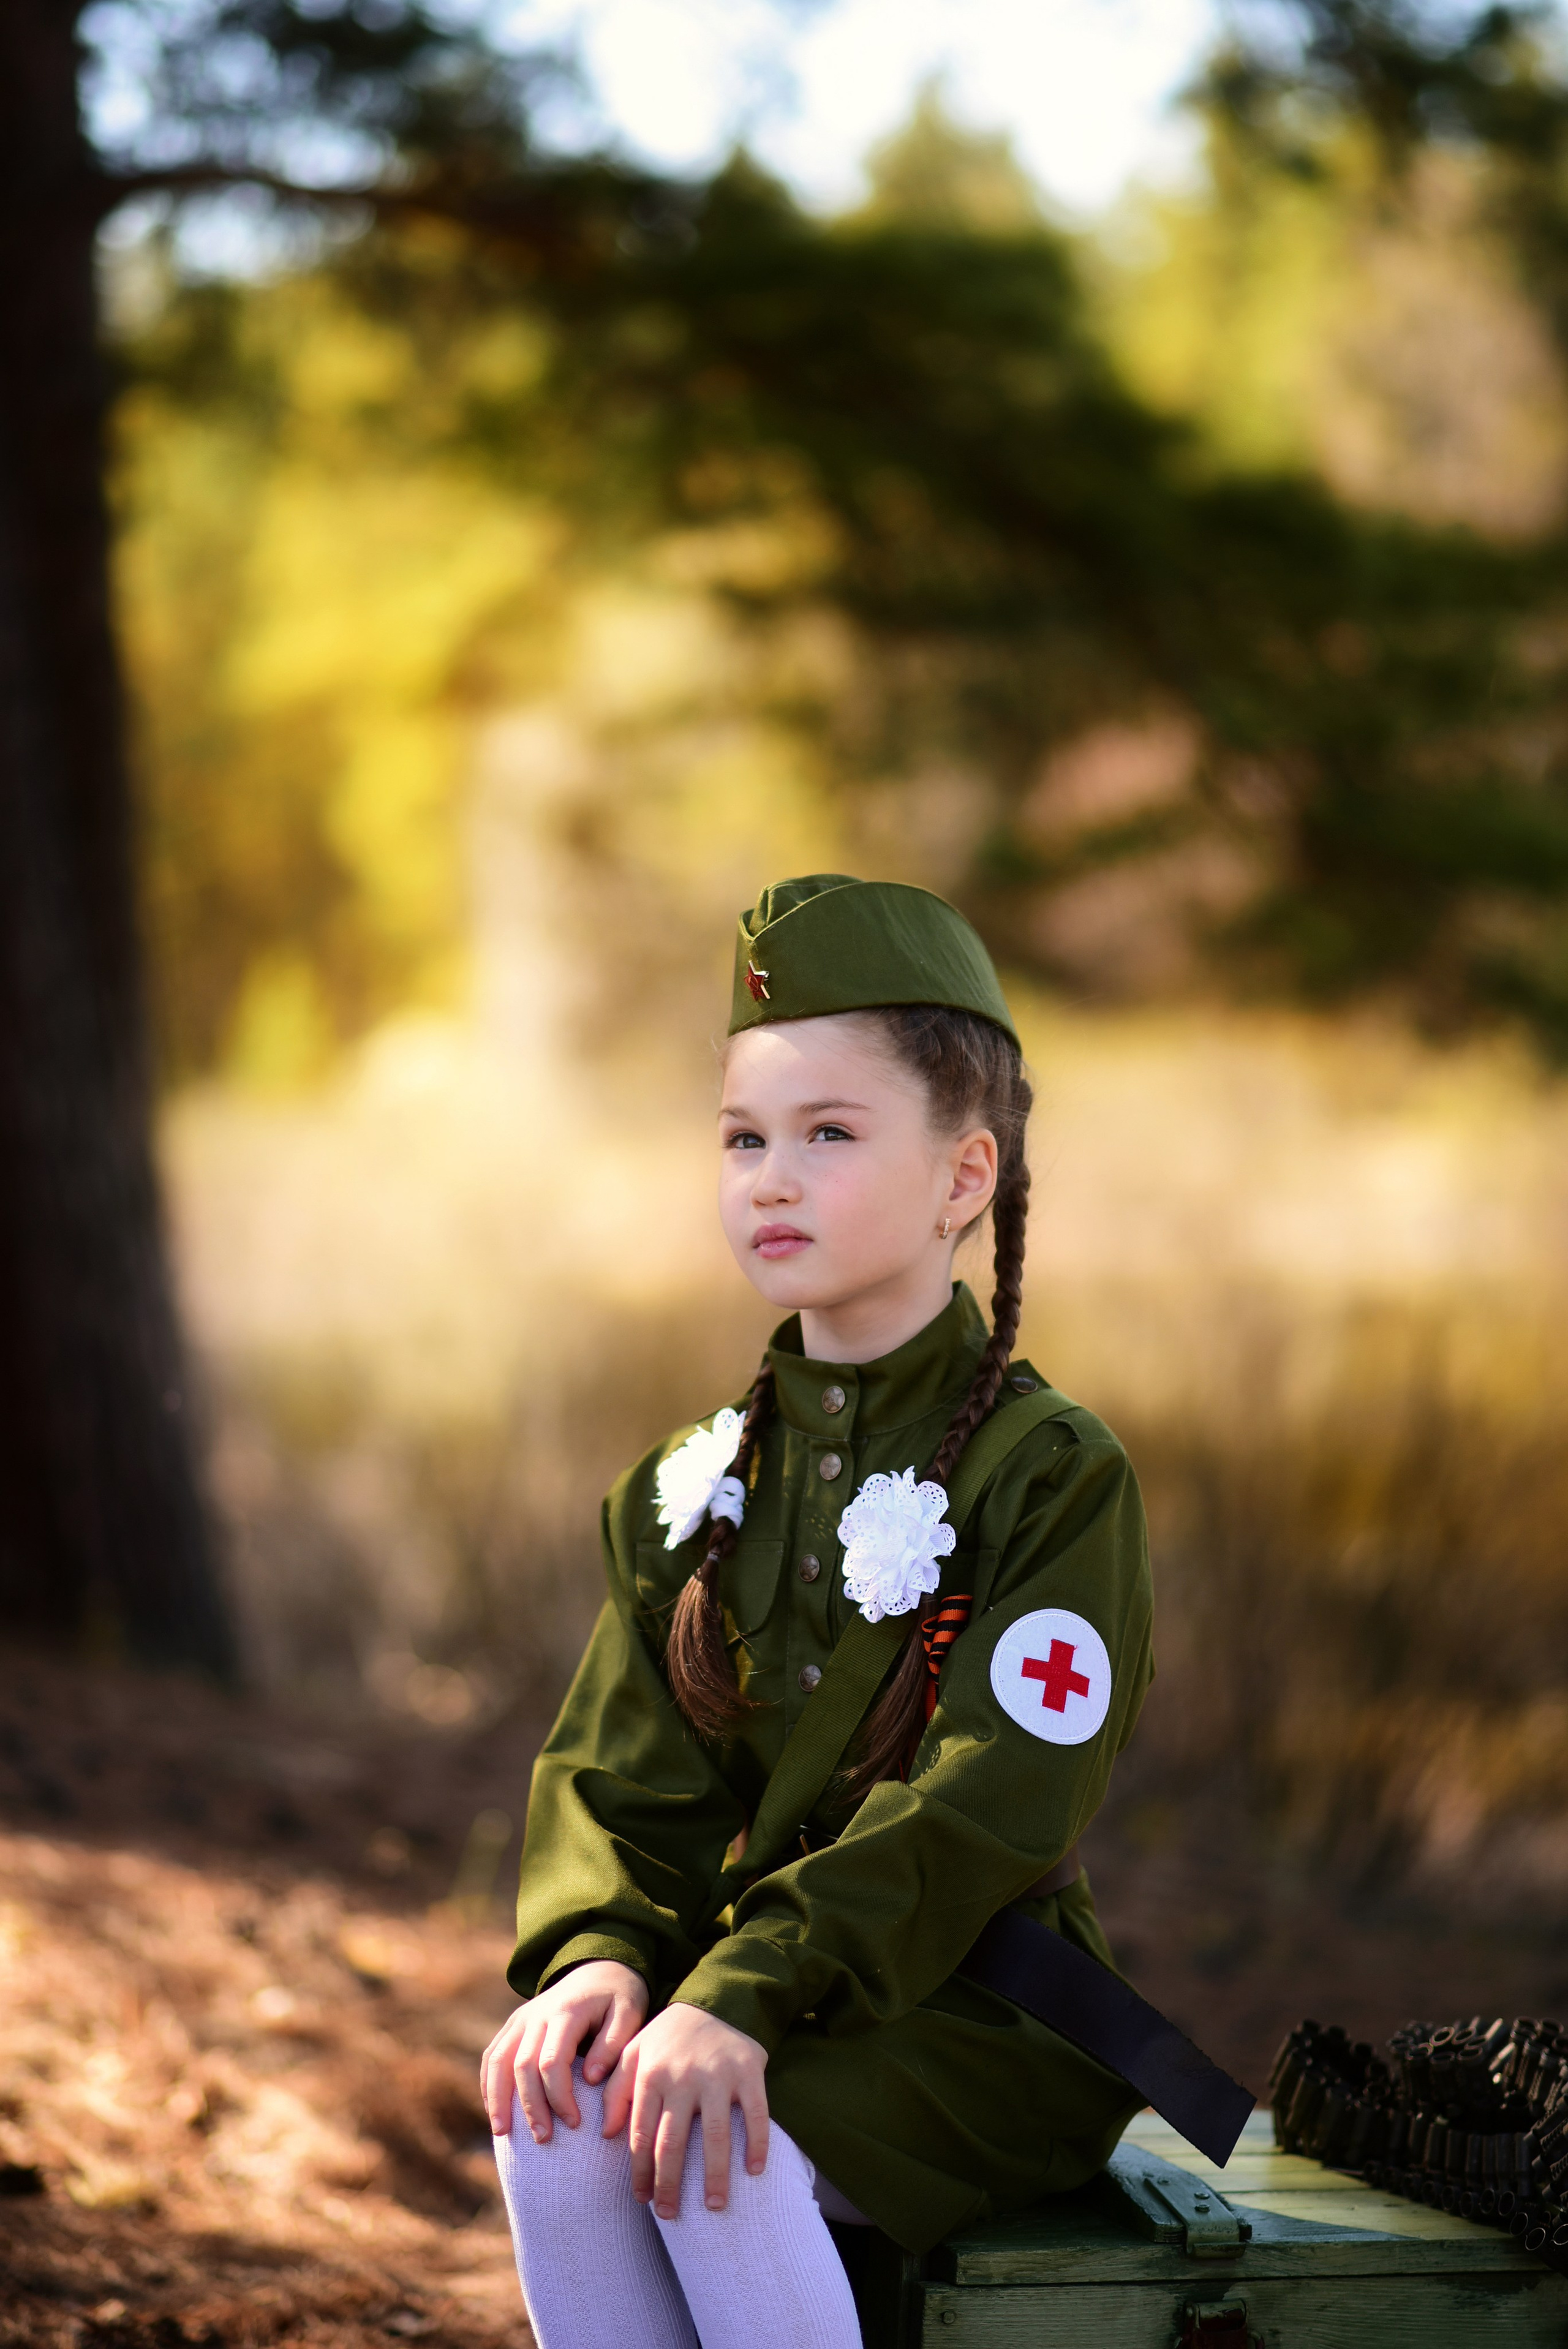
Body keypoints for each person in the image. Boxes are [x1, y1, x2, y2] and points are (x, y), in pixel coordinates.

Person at [480, 873, 1154, 2349]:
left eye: (827, 1134)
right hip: (759, 1995)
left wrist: (741, 1990)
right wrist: (597, 1953)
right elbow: (616, 1773)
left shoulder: (1048, 1476)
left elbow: (994, 1804)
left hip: (975, 2023)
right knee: (559, 2111)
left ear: (962, 1179)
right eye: (742, 1137)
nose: (768, 1178)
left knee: (724, 2135)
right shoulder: (688, 1488)